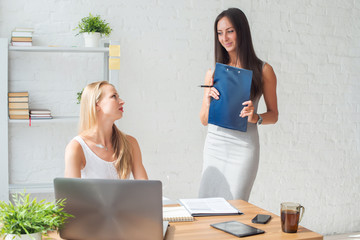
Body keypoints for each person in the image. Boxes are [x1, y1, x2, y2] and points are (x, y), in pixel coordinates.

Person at [199, 8, 278, 201]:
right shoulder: (213, 73)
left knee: (236, 207)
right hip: (214, 145)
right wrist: (207, 100)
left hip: (243, 148)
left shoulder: (264, 70)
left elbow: (274, 115)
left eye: (230, 31)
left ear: (242, 31)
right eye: (219, 33)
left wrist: (256, 117)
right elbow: (203, 120)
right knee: (206, 205)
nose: (224, 38)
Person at [64, 81, 148, 179]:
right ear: (96, 105)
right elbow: (70, 194)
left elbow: (145, 189)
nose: (121, 101)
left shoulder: (130, 143)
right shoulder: (76, 148)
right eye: (114, 96)